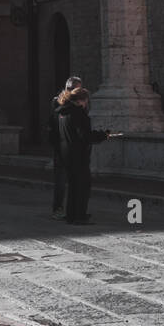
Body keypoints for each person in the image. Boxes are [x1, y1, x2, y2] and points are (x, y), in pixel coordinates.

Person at [57, 86, 112, 224]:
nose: (87, 103)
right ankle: (79, 216)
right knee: (82, 185)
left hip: (66, 154)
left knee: (73, 185)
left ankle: (71, 215)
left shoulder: (62, 113)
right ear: (83, 100)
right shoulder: (79, 114)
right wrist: (103, 135)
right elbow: (85, 136)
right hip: (78, 154)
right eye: (86, 100)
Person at [47, 75, 82, 219]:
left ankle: (69, 209)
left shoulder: (76, 102)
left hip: (69, 146)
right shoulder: (59, 102)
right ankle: (60, 209)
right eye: (71, 88)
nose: (71, 91)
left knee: (70, 179)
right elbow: (53, 124)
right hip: (63, 146)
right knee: (62, 180)